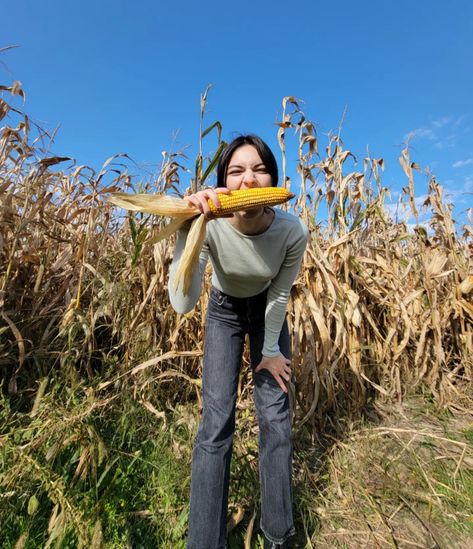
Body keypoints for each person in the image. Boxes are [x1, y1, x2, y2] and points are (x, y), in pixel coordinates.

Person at [168, 135, 309, 549]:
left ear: (273, 178)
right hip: (224, 310)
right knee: (215, 423)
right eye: (235, 171)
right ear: (222, 183)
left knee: (276, 417)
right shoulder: (209, 227)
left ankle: (278, 537)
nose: (248, 180)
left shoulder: (291, 232)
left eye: (259, 169)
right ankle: (205, 542)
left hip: (268, 309)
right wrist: (187, 228)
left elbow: (280, 295)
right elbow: (182, 302)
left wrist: (269, 353)